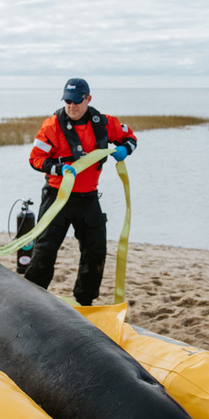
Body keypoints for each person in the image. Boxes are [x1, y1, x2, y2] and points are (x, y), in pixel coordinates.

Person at [24, 78, 137, 306]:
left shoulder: (104, 123)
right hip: (58, 197)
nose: (71, 107)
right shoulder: (52, 126)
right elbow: (35, 159)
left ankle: (85, 302)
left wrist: (125, 148)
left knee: (95, 251)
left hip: (88, 198)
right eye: (67, 101)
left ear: (88, 99)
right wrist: (57, 168)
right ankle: (31, 300)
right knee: (44, 251)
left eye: (76, 101)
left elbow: (131, 137)